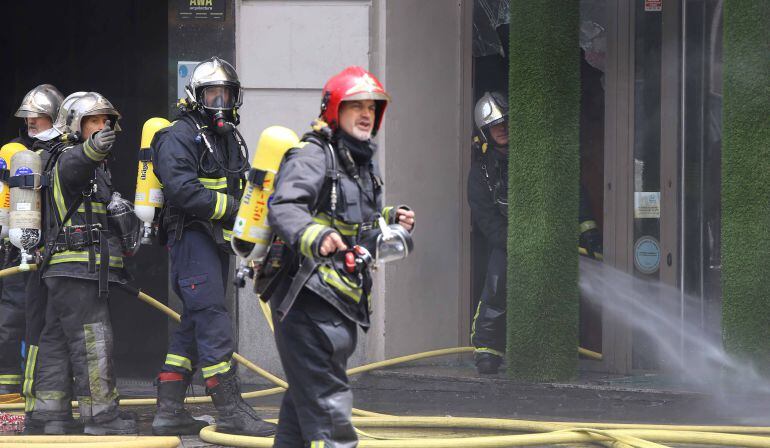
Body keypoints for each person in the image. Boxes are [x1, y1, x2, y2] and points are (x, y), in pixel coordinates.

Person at [263, 65, 415, 447]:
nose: (366, 114)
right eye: (355, 106)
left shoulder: (361, 164)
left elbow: (357, 222)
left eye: (372, 107)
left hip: (339, 305)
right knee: (331, 417)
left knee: (300, 415)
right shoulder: (313, 156)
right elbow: (283, 208)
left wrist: (389, 218)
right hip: (307, 303)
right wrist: (317, 235)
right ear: (334, 111)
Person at [151, 56, 275, 437]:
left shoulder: (227, 139)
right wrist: (234, 210)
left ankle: (168, 410)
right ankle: (230, 409)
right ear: (196, 96)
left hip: (216, 243)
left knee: (192, 326)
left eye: (226, 94)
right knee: (213, 321)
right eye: (212, 94)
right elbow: (183, 191)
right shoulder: (178, 136)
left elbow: (243, 183)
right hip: (191, 239)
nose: (220, 101)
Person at [29, 91, 137, 435]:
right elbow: (85, 155)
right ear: (75, 124)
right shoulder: (72, 158)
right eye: (94, 120)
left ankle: (49, 415)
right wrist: (96, 145)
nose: (103, 127)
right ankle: (102, 418)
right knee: (93, 339)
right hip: (77, 270)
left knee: (56, 340)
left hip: (65, 270)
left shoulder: (80, 164)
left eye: (107, 121)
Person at [0, 84, 63, 398]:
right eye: (27, 116)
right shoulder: (14, 153)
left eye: (38, 115)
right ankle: (8, 384)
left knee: (46, 320)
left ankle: (41, 386)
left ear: (55, 116)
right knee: (12, 316)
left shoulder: (62, 151)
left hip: (53, 250)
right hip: (16, 248)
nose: (30, 121)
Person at [468, 91, 509, 375]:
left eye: (505, 123)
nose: (502, 130)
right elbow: (484, 215)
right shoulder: (482, 170)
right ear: (485, 132)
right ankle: (487, 350)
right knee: (496, 286)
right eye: (495, 126)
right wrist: (508, 240)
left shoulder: (530, 158)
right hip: (503, 240)